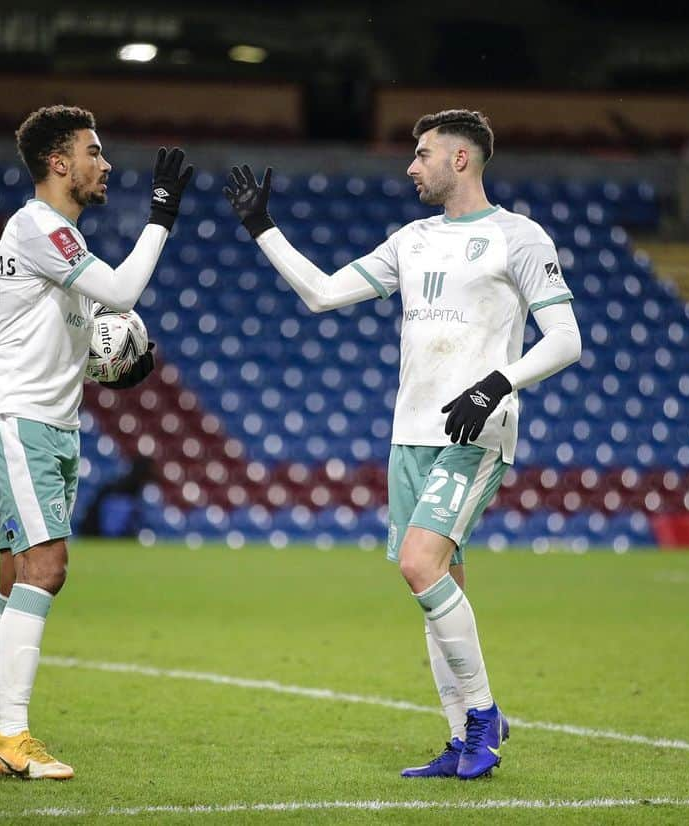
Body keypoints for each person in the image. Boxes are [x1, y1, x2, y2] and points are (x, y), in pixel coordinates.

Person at [224, 109, 581, 779]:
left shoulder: (519, 238)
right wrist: (261, 227)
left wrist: (495, 386)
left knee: (419, 565)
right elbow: (325, 294)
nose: (411, 166)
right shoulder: (410, 239)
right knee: (436, 584)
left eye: (422, 155)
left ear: (462, 160)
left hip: (475, 433)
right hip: (410, 435)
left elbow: (566, 339)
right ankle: (462, 737)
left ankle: (482, 718)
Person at [0, 105, 193, 780]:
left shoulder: (62, 243)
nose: (105, 163)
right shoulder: (37, 227)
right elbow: (121, 288)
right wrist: (162, 214)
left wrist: (123, 364)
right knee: (48, 567)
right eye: (94, 152)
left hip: (50, 424)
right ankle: (16, 734)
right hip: (16, 418)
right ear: (58, 163)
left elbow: (93, 341)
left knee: (14, 578)